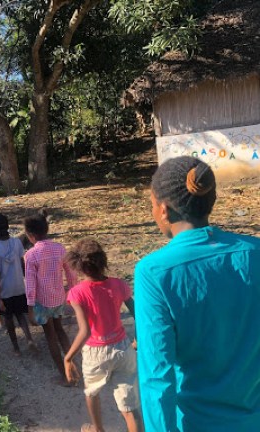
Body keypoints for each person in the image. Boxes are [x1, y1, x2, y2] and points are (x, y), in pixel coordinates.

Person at [135, 156, 260, 431]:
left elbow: (157, 379)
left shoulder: (153, 273)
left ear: (164, 209)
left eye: (152, 205)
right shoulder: (255, 252)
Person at [64, 239, 143, 432]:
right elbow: (139, 315)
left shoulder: (77, 293)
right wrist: (137, 340)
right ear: (103, 260)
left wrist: (68, 358)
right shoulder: (119, 285)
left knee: (91, 392)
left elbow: (85, 331)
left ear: (78, 267)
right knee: (129, 407)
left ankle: (97, 429)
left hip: (95, 352)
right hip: (123, 349)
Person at [24, 214, 77, 385]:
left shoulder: (31, 255)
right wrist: (72, 292)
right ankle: (74, 369)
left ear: (30, 235)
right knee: (60, 330)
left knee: (50, 336)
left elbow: (30, 284)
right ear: (46, 230)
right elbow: (71, 273)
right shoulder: (60, 248)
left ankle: (65, 376)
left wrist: (30, 308)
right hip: (59, 298)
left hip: (42, 302)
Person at [0, 213, 36, 354]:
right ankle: (29, 339)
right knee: (20, 314)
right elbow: (22, 264)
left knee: (8, 318)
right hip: (19, 286)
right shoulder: (17, 242)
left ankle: (16, 348)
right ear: (7, 226)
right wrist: (28, 281)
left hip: (5, 290)